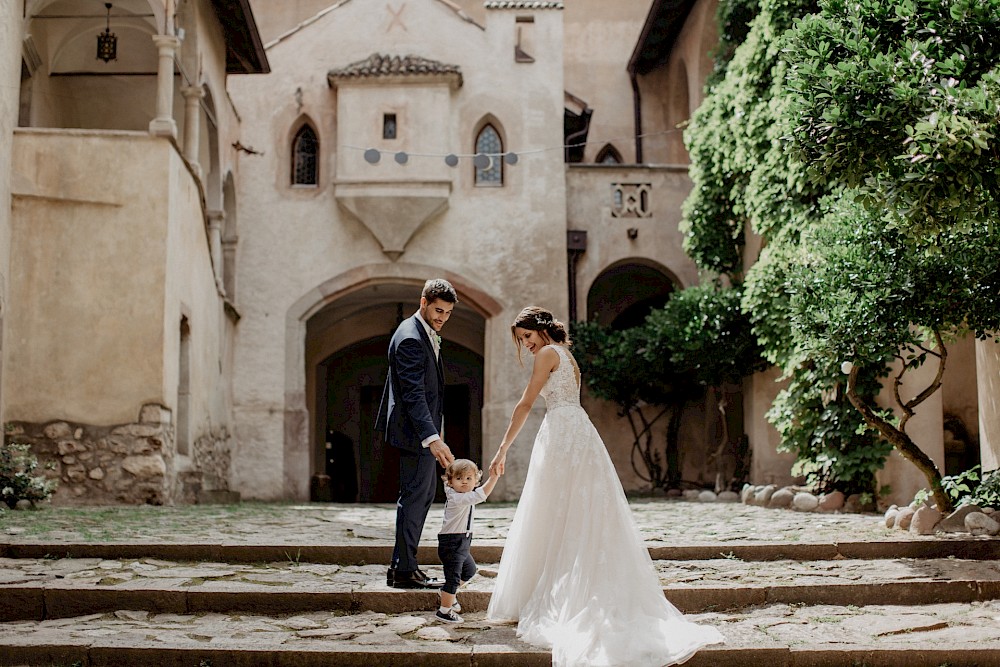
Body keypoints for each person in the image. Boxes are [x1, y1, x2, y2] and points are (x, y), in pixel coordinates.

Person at [486, 306, 725, 666]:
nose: (526, 345)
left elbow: (525, 403)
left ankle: (560, 592)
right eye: (522, 340)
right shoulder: (567, 355)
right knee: (572, 511)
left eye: (526, 337)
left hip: (563, 433)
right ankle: (566, 582)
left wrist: (502, 449)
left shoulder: (549, 354)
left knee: (553, 509)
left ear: (540, 330)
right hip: (578, 432)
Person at [375, 278, 458, 589]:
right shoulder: (411, 337)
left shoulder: (423, 332)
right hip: (415, 434)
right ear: (423, 302)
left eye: (448, 313)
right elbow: (413, 395)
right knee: (414, 499)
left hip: (418, 432)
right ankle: (403, 570)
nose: (442, 318)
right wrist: (432, 437)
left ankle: (404, 566)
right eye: (438, 310)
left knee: (419, 498)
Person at [435, 458, 500, 623]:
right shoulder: (457, 498)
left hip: (462, 541)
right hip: (452, 542)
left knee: (469, 571)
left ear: (476, 481)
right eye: (459, 478)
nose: (464, 482)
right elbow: (481, 495)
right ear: (450, 482)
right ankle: (444, 610)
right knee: (453, 577)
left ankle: (446, 593)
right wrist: (494, 477)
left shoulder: (462, 494)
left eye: (468, 478)